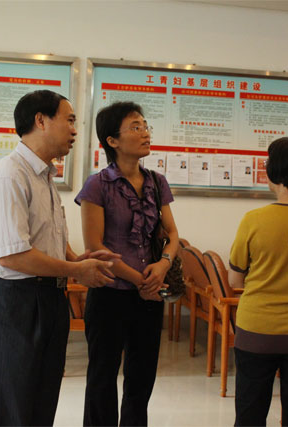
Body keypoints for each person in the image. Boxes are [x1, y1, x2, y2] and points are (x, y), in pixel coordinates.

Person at [0, 90, 119, 426]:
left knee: (40, 402)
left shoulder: (43, 176)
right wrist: (76, 270)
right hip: (18, 302)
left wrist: (77, 259)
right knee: (12, 407)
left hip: (50, 298)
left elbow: (46, 239)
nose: (74, 130)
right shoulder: (9, 176)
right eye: (69, 120)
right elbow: (13, 256)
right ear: (41, 120)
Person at [76, 101, 180, 426]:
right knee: (102, 377)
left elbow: (173, 234)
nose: (145, 132)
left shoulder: (157, 182)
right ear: (112, 141)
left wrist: (162, 265)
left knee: (142, 378)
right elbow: (96, 247)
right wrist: (140, 280)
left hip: (150, 295)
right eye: (135, 127)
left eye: (145, 125)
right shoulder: (97, 185)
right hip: (110, 292)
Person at [229, 137, 288, 426]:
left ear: (274, 173)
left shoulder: (253, 219)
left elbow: (235, 279)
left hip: (256, 329)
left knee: (250, 412)